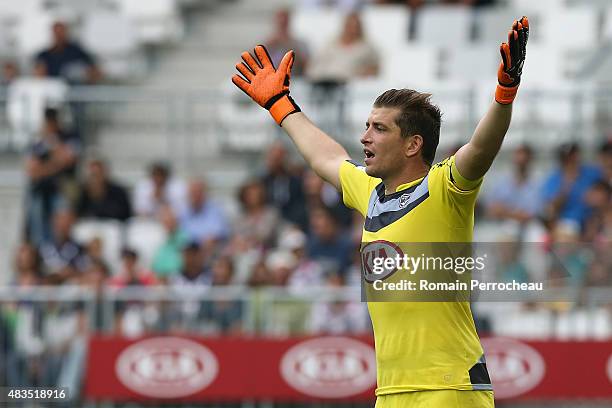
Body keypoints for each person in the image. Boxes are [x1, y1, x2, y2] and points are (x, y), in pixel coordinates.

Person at [232, 15, 530, 407]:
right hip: (390, 392)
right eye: (367, 125)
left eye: (379, 128)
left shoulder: (443, 188)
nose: (364, 136)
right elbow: (327, 157)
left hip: (449, 387)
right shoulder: (370, 191)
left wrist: (504, 95)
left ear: (412, 145)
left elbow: (479, 150)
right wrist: (281, 106)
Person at [25, 108, 80, 245]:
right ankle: (41, 253)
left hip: (62, 188)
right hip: (40, 189)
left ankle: (60, 252)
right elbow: (31, 169)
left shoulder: (69, 136)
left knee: (61, 224)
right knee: (37, 224)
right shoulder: (39, 140)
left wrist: (53, 146)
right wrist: (54, 165)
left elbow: (68, 159)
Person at [540, 142, 602, 229]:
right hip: (568, 221)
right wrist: (566, 185)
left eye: (574, 155)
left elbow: (603, 195)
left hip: (594, 219)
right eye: (568, 158)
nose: (572, 160)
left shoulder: (593, 172)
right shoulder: (553, 179)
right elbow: (551, 209)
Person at [307, 11, 379, 83]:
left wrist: (361, 77)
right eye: (349, 26)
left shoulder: (366, 48)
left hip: (347, 83)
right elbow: (316, 62)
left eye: (355, 27)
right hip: (323, 81)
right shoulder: (331, 43)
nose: (352, 30)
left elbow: (375, 67)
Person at [484, 144, 541, 224]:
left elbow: (531, 214)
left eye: (524, 158)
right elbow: (491, 210)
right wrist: (516, 214)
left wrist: (505, 211)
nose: (521, 160)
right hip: (500, 225)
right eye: (518, 156)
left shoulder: (537, 184)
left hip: (527, 227)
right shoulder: (501, 181)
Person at [35, 21, 101, 84]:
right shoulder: (44, 55)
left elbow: (94, 71)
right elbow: (39, 76)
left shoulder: (78, 53)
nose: (59, 35)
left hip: (75, 91)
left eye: (61, 32)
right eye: (56, 32)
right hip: (53, 91)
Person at [265, 8, 309, 77]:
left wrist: (289, 45)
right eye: (280, 23)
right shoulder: (268, 43)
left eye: (284, 23)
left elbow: (307, 66)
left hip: (293, 79)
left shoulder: (299, 43)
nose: (282, 25)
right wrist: (266, 46)